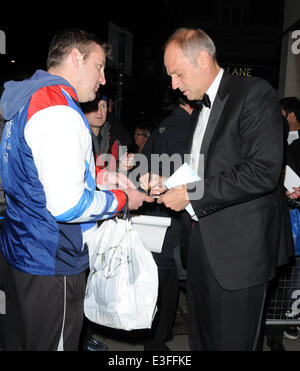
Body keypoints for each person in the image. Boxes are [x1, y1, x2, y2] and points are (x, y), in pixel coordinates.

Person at [0, 28, 152, 351]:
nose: (103, 79)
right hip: (51, 263)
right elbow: (67, 205)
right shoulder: (57, 109)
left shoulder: (28, 98)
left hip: (22, 252)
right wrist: (123, 198)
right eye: (98, 66)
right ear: (75, 58)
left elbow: (37, 172)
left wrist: (100, 176)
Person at [144, 27, 293, 351]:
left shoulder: (253, 92)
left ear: (202, 58)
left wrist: (190, 194)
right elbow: (206, 172)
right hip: (200, 250)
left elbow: (262, 171)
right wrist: (168, 182)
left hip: (240, 257)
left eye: (177, 73)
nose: (173, 85)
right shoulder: (200, 109)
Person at [140, 94, 194, 351]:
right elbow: (185, 180)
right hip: (171, 220)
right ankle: (156, 341)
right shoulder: (185, 129)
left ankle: (154, 336)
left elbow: (144, 166)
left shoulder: (163, 126)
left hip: (154, 218)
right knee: (167, 284)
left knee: (157, 282)